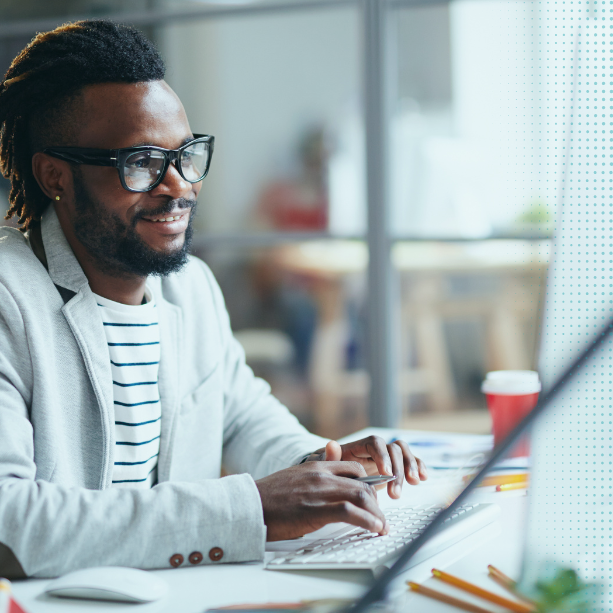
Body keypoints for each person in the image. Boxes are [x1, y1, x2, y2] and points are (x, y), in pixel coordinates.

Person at [0, 20, 427, 579]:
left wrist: (322, 464)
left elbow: (242, 415)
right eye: (142, 163)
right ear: (54, 175)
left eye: (186, 154)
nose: (179, 185)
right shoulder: (10, 301)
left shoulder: (191, 287)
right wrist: (251, 508)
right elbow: (11, 527)